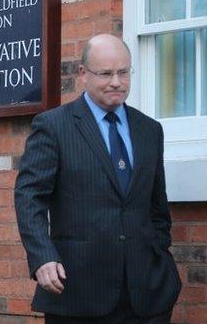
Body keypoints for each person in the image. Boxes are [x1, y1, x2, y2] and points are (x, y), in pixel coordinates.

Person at [14, 34, 181, 323]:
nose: (116, 81)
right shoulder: (54, 126)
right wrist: (42, 256)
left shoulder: (150, 130)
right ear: (83, 74)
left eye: (123, 72)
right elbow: (30, 197)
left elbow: (157, 206)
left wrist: (160, 254)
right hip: (79, 293)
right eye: (105, 73)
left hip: (148, 296)